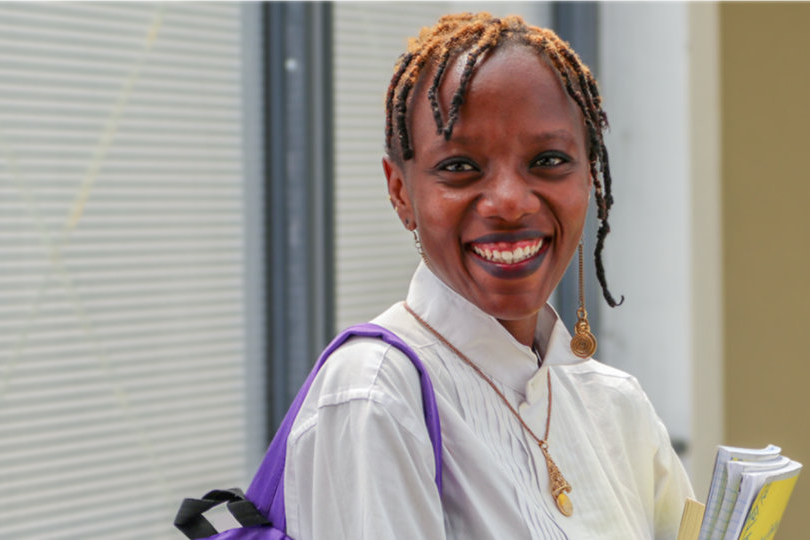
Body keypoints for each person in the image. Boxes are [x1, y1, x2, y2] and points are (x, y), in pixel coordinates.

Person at [282, 12, 693, 540]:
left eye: (548, 160)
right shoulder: (376, 396)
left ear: (589, 177)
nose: (508, 203)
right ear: (401, 192)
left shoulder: (615, 406)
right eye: (459, 167)